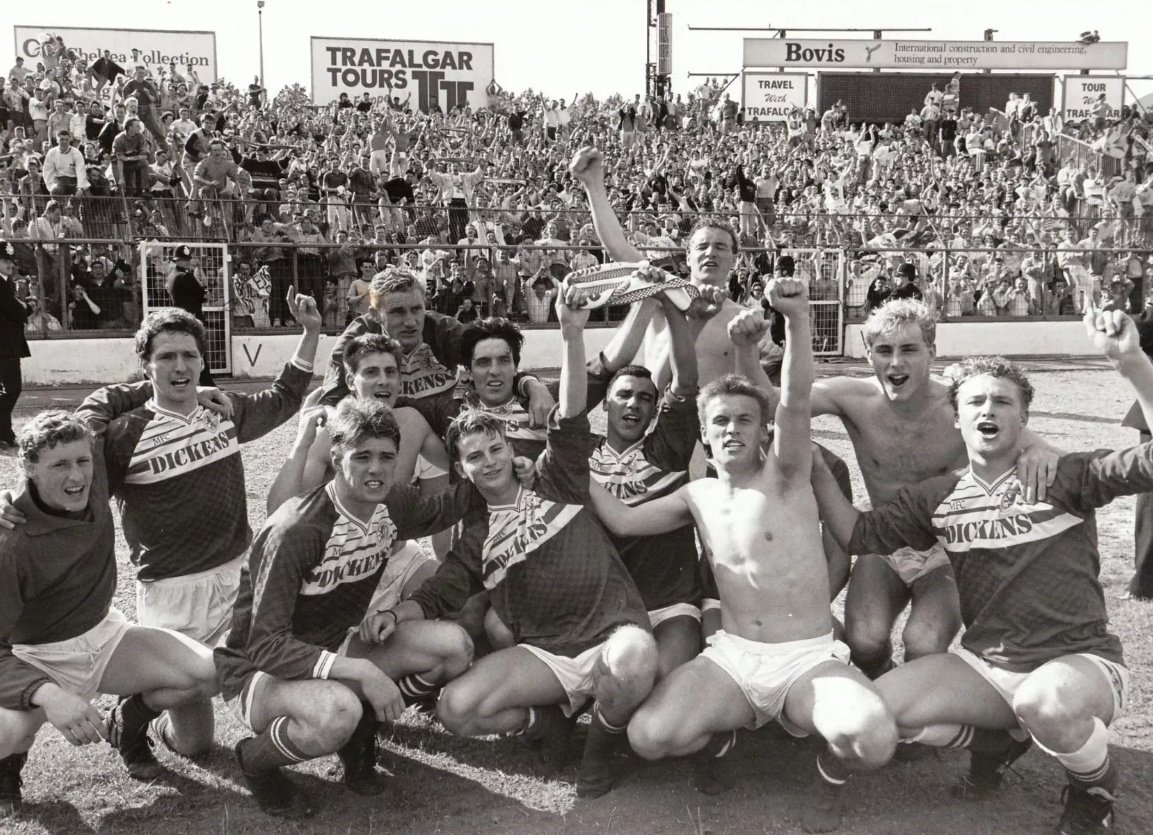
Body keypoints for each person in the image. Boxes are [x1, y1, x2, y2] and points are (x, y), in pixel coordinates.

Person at [809, 304, 1153, 835]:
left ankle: (1095, 791)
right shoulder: (936, 497)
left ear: (1024, 419)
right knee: (871, 715)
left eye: (1002, 401)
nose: (987, 410)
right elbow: (860, 535)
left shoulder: (1065, 475)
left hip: (1079, 663)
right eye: (974, 401)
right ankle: (998, 740)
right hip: (987, 667)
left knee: (1044, 703)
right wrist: (815, 467)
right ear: (956, 417)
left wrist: (1131, 362)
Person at [591, 280, 898, 833]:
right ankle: (724, 739)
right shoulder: (696, 495)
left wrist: (797, 319)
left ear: (763, 432)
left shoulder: (787, 473)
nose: (732, 429)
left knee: (873, 739)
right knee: (648, 736)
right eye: (720, 422)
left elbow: (796, 398)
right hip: (733, 658)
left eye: (744, 420)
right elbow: (622, 519)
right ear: (704, 436)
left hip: (804, 658)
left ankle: (828, 776)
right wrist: (568, 465)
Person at [0, 298, 321, 777]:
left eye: (190, 355)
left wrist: (310, 333)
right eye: (166, 357)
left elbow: (283, 398)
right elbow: (65, 466)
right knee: (195, 744)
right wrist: (12, 498)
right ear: (145, 366)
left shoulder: (222, 409)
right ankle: (132, 716)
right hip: (172, 592)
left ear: (204, 361)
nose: (180, 366)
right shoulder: (121, 434)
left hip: (238, 574)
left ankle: (132, 717)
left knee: (253, 662)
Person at [387, 289, 659, 800]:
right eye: (474, 457)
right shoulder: (476, 535)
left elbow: (571, 412)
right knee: (455, 709)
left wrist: (571, 333)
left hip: (609, 633)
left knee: (636, 657)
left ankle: (599, 749)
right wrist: (395, 615)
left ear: (510, 448)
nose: (489, 461)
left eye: (495, 449)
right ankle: (548, 722)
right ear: (459, 469)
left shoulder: (556, 477)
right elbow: (438, 592)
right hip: (547, 653)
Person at [735, 299, 1057, 681]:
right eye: (885, 350)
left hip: (946, 547)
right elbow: (777, 404)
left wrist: (1037, 452)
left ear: (931, 351)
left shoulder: (959, 402)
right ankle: (887, 687)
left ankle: (917, 700)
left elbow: (1041, 447)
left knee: (923, 642)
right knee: (864, 642)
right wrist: (746, 351)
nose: (896, 363)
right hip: (883, 540)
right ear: (868, 353)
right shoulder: (853, 397)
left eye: (909, 349)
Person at [215, 398, 480, 819]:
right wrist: (362, 671)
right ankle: (256, 761)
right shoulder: (296, 530)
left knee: (454, 647)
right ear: (337, 459)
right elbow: (264, 644)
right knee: (339, 710)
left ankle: (361, 730)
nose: (375, 469)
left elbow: (447, 507)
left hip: (335, 645)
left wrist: (503, 468)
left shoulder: (389, 503)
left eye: (386, 457)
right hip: (258, 671)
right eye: (362, 457)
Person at [0, 411, 217, 815]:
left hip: (104, 635)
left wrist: (195, 392)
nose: (76, 476)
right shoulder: (9, 540)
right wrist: (47, 695)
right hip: (37, 658)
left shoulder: (94, 478)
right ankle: (7, 767)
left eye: (82, 460)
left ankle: (128, 720)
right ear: (29, 468)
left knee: (213, 671)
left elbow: (113, 398)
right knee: (5, 733)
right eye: (59, 465)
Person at [165, 245, 213, 386]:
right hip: (193, 319)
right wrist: (205, 290)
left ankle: (199, 383)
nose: (186, 262)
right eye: (184, 260)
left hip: (180, 319)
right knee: (199, 352)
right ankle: (207, 383)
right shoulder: (187, 276)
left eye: (187, 259)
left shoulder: (172, 276)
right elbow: (205, 296)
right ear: (177, 260)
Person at [0, 242, 30, 450]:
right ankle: (4, 433)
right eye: (4, 260)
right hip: (4, 346)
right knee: (11, 389)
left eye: (11, 260)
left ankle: (5, 433)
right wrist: (28, 306)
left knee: (9, 390)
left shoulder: (6, 282)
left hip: (7, 345)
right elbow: (16, 311)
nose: (10, 264)